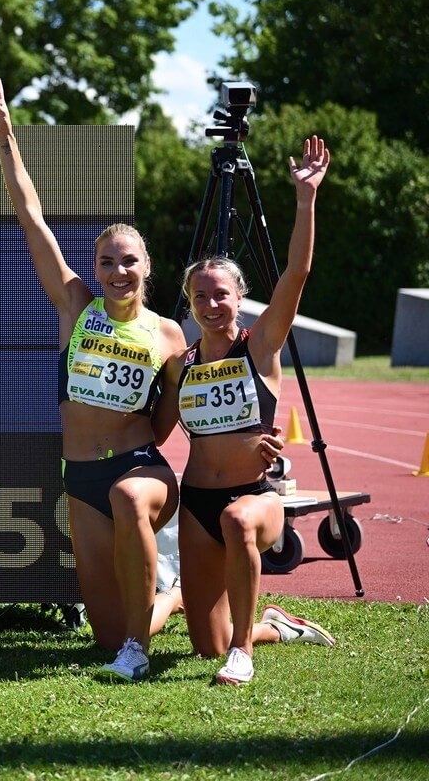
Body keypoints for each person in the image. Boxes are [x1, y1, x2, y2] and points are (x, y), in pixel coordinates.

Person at [0, 77, 191, 681]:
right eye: (107, 261)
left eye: (129, 261)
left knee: (129, 499)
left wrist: (144, 444)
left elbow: (169, 411)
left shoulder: (170, 334)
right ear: (94, 269)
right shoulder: (76, 306)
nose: (118, 270)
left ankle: (141, 652)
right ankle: (171, 599)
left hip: (138, 470)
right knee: (106, 633)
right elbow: (30, 215)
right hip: (82, 477)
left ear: (147, 267)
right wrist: (6, 139)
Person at [155, 135, 336, 686]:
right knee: (205, 646)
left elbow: (296, 276)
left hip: (254, 499)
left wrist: (305, 201)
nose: (212, 305)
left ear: (239, 297)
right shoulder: (179, 364)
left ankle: (245, 656)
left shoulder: (258, 348)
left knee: (237, 522)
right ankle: (273, 627)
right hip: (197, 503)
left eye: (222, 295)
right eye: (201, 297)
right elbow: (155, 430)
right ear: (190, 304)